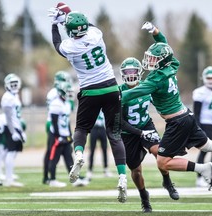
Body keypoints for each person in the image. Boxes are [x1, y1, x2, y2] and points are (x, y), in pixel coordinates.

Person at [121, 21, 212, 191]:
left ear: (161, 60)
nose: (149, 60)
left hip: (177, 122)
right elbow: (164, 45)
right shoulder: (172, 65)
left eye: (153, 58)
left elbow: (130, 94)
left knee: (163, 162)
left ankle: (203, 168)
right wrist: (155, 31)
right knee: (209, 145)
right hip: (186, 116)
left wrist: (108, 95)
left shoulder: (155, 80)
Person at [49, 6, 127, 202]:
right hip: (110, 87)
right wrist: (68, 12)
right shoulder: (96, 34)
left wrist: (54, 24)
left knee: (82, 129)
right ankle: (122, 176)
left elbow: (57, 44)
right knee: (115, 135)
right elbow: (86, 24)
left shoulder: (70, 47)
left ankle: (79, 154)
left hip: (90, 90)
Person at [119, 57, 179, 212]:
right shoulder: (119, 91)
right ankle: (144, 198)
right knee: (136, 171)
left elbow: (161, 102)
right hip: (128, 133)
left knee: (160, 153)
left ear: (140, 72)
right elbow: (119, 122)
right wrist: (140, 133)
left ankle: (167, 181)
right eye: (127, 72)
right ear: (122, 73)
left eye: (133, 71)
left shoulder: (148, 87)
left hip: (146, 124)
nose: (131, 75)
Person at [43, 70, 73, 185]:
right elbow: (53, 113)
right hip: (53, 124)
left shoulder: (63, 101)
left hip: (61, 125)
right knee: (52, 152)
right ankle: (48, 177)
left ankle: (72, 175)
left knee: (67, 151)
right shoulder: (53, 95)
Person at [0, 73, 26, 187]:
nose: (14, 85)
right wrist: (13, 132)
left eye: (16, 83)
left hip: (15, 126)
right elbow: (8, 117)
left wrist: (20, 130)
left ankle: (9, 176)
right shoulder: (7, 97)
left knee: (13, 152)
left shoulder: (14, 96)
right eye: (12, 84)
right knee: (10, 152)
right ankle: (9, 179)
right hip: (10, 127)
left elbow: (16, 116)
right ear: (7, 85)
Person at [86, 110, 112, 180]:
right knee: (92, 150)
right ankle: (90, 170)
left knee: (104, 150)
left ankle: (106, 169)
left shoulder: (104, 106)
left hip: (102, 128)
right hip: (94, 128)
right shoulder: (93, 105)